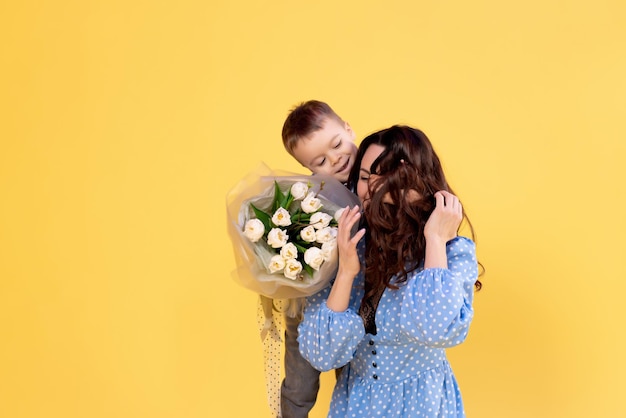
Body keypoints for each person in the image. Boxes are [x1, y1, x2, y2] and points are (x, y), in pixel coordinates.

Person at [298, 125, 482, 417]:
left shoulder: (451, 251)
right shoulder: (342, 244)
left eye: (389, 179)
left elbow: (435, 331)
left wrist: (434, 239)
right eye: (365, 177)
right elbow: (321, 355)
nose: (372, 189)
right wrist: (345, 272)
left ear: (419, 183)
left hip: (422, 405)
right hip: (355, 404)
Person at [279, 100, 358, 418]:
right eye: (320, 161)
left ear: (348, 129)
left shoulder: (378, 171)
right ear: (308, 169)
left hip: (354, 305)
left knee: (355, 381)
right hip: (308, 306)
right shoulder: (309, 199)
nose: (336, 159)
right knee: (299, 388)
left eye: (338, 144)